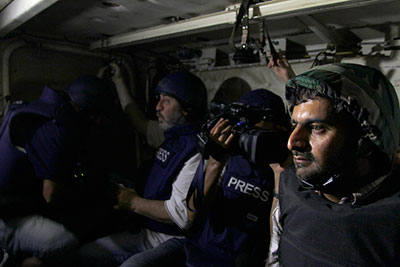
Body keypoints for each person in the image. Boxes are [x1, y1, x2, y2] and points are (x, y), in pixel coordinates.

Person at [267, 63, 400, 266]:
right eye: (294, 125)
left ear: (365, 140)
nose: (292, 142)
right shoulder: (290, 185)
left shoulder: (392, 217)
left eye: (317, 128)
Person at [78, 63, 208, 266]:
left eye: (166, 101)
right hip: (149, 232)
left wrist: (132, 202)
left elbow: (181, 215)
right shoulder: (170, 134)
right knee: (85, 253)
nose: (157, 107)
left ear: (186, 110)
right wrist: (119, 81)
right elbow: (136, 119)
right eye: (159, 100)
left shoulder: (197, 151)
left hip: (176, 239)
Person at [0, 75, 116, 267]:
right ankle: (24, 263)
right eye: (97, 115)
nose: (98, 122)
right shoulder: (56, 127)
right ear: (87, 111)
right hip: (8, 217)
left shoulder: (29, 109)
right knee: (63, 243)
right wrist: (90, 192)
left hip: (14, 203)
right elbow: (51, 194)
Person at [184, 89, 292, 267]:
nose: (245, 130)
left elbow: (278, 242)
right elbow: (192, 214)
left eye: (252, 122)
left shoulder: (286, 169)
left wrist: (279, 172)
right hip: (202, 256)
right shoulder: (230, 155)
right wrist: (215, 161)